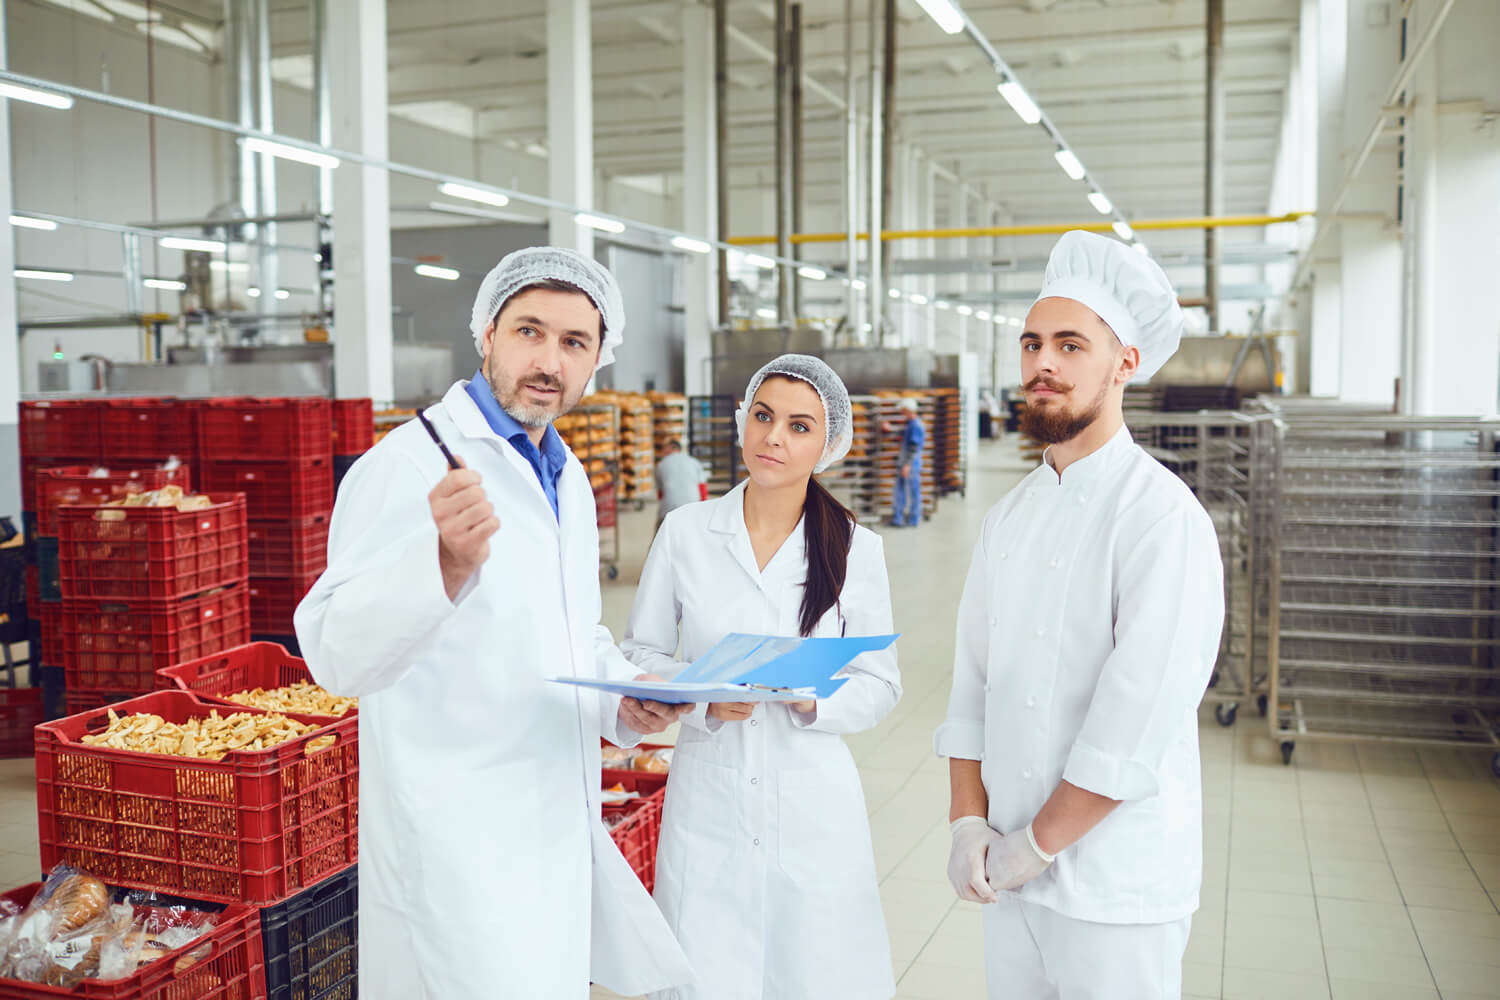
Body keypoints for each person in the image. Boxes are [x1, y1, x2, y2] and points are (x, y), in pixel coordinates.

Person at [294, 247, 693, 999]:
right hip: (457, 839)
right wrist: (441, 566)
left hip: (553, 825)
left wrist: (623, 697)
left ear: (598, 358)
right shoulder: (408, 467)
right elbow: (334, 653)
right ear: (486, 335)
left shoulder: (564, 474)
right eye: (529, 332)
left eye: (575, 343)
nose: (549, 361)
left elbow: (568, 635)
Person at [934, 230, 1225, 1000]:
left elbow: (1138, 713)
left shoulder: (1162, 518)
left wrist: (1038, 841)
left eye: (1070, 345)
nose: (1043, 366)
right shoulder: (1011, 518)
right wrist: (969, 822)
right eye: (1032, 344)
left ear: (1124, 361)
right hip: (1011, 875)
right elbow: (973, 687)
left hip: (1114, 888)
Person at [621, 354, 903, 1000]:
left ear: (827, 445)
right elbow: (645, 652)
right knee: (707, 972)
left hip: (813, 803)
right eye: (764, 416)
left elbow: (881, 681)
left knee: (816, 972)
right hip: (709, 798)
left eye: (799, 426)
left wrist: (810, 697)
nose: (775, 436)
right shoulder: (686, 533)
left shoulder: (856, 548)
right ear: (742, 422)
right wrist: (703, 695)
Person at [653, 435, 708, 532]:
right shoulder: (694, 462)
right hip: (693, 507)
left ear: (670, 448)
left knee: (659, 537)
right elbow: (702, 488)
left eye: (664, 448)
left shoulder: (661, 465)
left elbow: (660, 495)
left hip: (669, 509)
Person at [888, 397, 925, 527]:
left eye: (903, 411)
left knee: (912, 492)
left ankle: (912, 519)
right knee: (902, 491)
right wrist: (890, 429)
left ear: (909, 411)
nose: (902, 414)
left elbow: (913, 447)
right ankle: (900, 519)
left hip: (910, 465)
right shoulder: (912, 424)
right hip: (908, 464)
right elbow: (903, 433)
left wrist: (907, 465)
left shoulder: (915, 426)